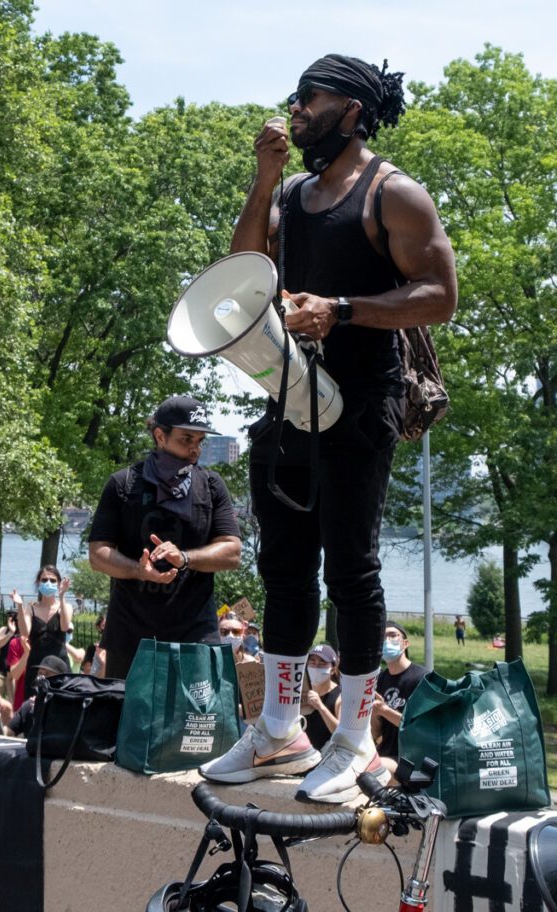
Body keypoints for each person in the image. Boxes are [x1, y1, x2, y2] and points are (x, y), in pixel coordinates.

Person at [200, 53, 457, 804]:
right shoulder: (293, 190)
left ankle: (350, 740)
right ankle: (277, 730)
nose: (297, 107)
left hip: (361, 400)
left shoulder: (395, 193)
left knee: (352, 572)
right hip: (289, 396)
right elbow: (248, 262)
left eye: (311, 98)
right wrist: (261, 176)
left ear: (350, 109)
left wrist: (341, 309)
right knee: (282, 569)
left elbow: (439, 296)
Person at [87, 395, 242, 680]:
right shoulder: (123, 484)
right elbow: (98, 554)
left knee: (192, 724)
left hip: (195, 633)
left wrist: (185, 558)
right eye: (186, 439)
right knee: (132, 721)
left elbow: (232, 552)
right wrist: (138, 570)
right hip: (131, 633)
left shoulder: (211, 485)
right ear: (160, 435)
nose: (195, 449)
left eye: (200, 440)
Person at [371, 622, 428, 778]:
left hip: (410, 760)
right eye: (382, 637)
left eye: (392, 635)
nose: (387, 641)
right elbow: (375, 733)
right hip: (385, 754)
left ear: (405, 643)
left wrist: (385, 710)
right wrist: (375, 714)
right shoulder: (380, 679)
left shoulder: (421, 678)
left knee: (368, 770)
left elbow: (420, 729)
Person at [11, 565, 73, 696]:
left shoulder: (65, 606)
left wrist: (62, 596)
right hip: (36, 666)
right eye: (44, 580)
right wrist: (20, 606)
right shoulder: (31, 608)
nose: (48, 583)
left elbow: (65, 626)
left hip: (59, 666)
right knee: (35, 708)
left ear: (58, 583)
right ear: (38, 582)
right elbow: (24, 632)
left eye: (52, 580)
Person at [4, 654, 67, 738]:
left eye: (47, 674)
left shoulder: (68, 707)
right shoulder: (29, 706)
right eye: (40, 673)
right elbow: (7, 732)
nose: (41, 678)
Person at [302, 643, 342, 751]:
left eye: (322, 663)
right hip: (304, 756)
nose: (316, 667)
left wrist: (320, 707)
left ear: (333, 670)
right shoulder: (302, 691)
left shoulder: (340, 696)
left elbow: (342, 734)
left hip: (329, 757)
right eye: (312, 662)